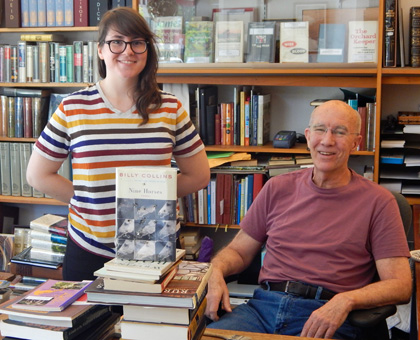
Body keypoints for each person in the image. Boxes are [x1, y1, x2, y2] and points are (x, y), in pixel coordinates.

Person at [26, 7, 210, 281]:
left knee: (149, 324)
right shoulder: (73, 107)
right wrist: (88, 201)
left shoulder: (170, 108)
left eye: (138, 42)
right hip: (88, 245)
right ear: (100, 50)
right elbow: (37, 175)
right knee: (88, 324)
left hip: (152, 245)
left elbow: (199, 175)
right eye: (117, 42)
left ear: (148, 50)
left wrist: (149, 198)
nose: (128, 51)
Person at [205, 100, 411, 339]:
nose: (327, 140)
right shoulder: (277, 188)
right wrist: (216, 270)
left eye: (340, 132)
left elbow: (400, 284)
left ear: (357, 142)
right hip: (262, 310)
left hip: (327, 315)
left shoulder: (379, 202)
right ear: (308, 135)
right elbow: (239, 252)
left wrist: (347, 300)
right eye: (320, 129)